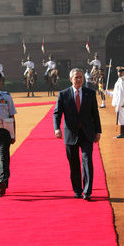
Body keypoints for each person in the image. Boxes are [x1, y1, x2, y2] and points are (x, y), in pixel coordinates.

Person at [53, 68, 102, 201]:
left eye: (80, 77)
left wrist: (98, 131)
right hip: (70, 134)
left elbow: (95, 114)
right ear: (71, 79)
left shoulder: (90, 93)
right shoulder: (63, 94)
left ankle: (87, 191)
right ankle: (77, 190)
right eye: (76, 77)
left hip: (87, 134)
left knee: (87, 161)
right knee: (74, 164)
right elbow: (57, 113)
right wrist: (57, 128)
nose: (79, 79)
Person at [104, 67, 124, 138]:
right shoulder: (119, 80)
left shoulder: (123, 81)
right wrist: (107, 92)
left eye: (120, 72)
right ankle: (122, 133)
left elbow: (122, 94)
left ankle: (122, 134)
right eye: (118, 72)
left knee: (121, 118)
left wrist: (120, 104)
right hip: (118, 102)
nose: (119, 73)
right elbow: (115, 93)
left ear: (123, 73)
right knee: (120, 118)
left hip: (120, 103)